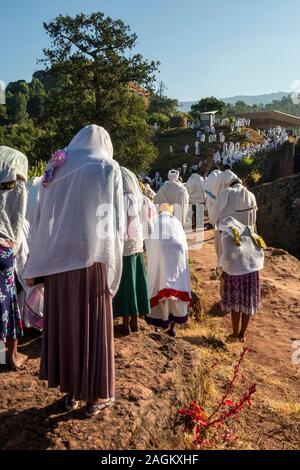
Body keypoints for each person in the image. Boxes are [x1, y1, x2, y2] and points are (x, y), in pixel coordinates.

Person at [23, 125, 124, 417]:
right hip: (90, 258)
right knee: (90, 325)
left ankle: (69, 391)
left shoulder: (58, 167)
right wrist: (110, 257)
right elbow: (110, 221)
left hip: (58, 258)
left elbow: (41, 216)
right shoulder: (106, 167)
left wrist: (42, 255)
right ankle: (93, 396)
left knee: (66, 325)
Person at [113, 167, 151, 335]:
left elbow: (123, 223)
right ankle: (135, 321)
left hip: (125, 246)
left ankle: (126, 323)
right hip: (137, 245)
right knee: (137, 283)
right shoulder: (140, 198)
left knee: (126, 285)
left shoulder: (123, 198)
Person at [0, 146, 28, 370]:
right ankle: (11, 357)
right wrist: (15, 248)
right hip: (3, 248)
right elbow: (17, 220)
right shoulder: (17, 186)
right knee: (8, 302)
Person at [145, 204, 192, 337]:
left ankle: (158, 326)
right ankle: (172, 326)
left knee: (159, 283)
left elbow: (148, 241)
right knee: (175, 286)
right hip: (178, 253)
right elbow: (184, 243)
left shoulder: (154, 220)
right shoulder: (176, 222)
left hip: (160, 252)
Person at [218, 217, 265, 342]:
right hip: (252, 271)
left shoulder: (226, 234)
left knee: (235, 305)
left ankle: (234, 334)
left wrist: (222, 268)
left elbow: (227, 256)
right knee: (247, 303)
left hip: (235, 273)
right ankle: (242, 334)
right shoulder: (248, 231)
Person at [211, 178, 258, 265]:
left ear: (231, 185)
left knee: (227, 258)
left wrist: (214, 222)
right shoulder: (251, 195)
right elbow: (254, 219)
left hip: (228, 235)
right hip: (246, 234)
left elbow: (215, 214)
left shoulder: (225, 193)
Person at [185, 169, 206, 234]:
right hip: (201, 198)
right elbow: (204, 187)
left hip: (194, 198)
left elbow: (189, 188)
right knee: (200, 211)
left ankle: (197, 224)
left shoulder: (191, 178)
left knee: (195, 211)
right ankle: (200, 224)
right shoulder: (200, 178)